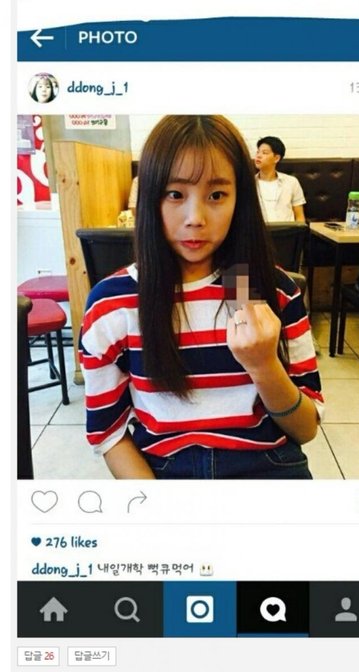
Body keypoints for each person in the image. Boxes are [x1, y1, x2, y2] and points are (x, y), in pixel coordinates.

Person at [80, 115, 324, 480]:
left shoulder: (252, 287)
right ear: (149, 198)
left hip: (268, 465)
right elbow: (108, 433)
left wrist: (263, 365)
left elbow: (305, 430)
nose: (195, 218)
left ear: (240, 200)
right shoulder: (113, 303)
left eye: (216, 195)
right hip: (164, 470)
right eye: (175, 194)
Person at [254, 136, 306, 222]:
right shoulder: (249, 183)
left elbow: (300, 217)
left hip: (287, 230)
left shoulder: (291, 182)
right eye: (258, 152)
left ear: (276, 158)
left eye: (264, 153)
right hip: (258, 230)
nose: (258, 156)